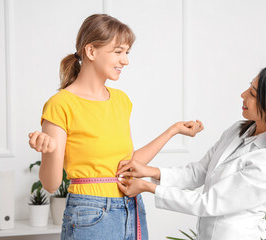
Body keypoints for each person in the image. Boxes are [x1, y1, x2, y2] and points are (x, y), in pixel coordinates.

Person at [28, 13, 203, 240]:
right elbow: (51, 185)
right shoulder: (61, 104)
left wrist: (173, 130)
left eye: (127, 53)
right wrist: (49, 151)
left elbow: (129, 165)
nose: (125, 61)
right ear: (91, 51)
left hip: (132, 206)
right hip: (90, 213)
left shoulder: (121, 100)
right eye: (118, 52)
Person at [116, 64, 266, 240]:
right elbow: (199, 172)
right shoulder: (238, 130)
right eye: (249, 86)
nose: (243, 95)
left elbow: (208, 203)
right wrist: (148, 171)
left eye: (253, 94)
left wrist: (146, 187)